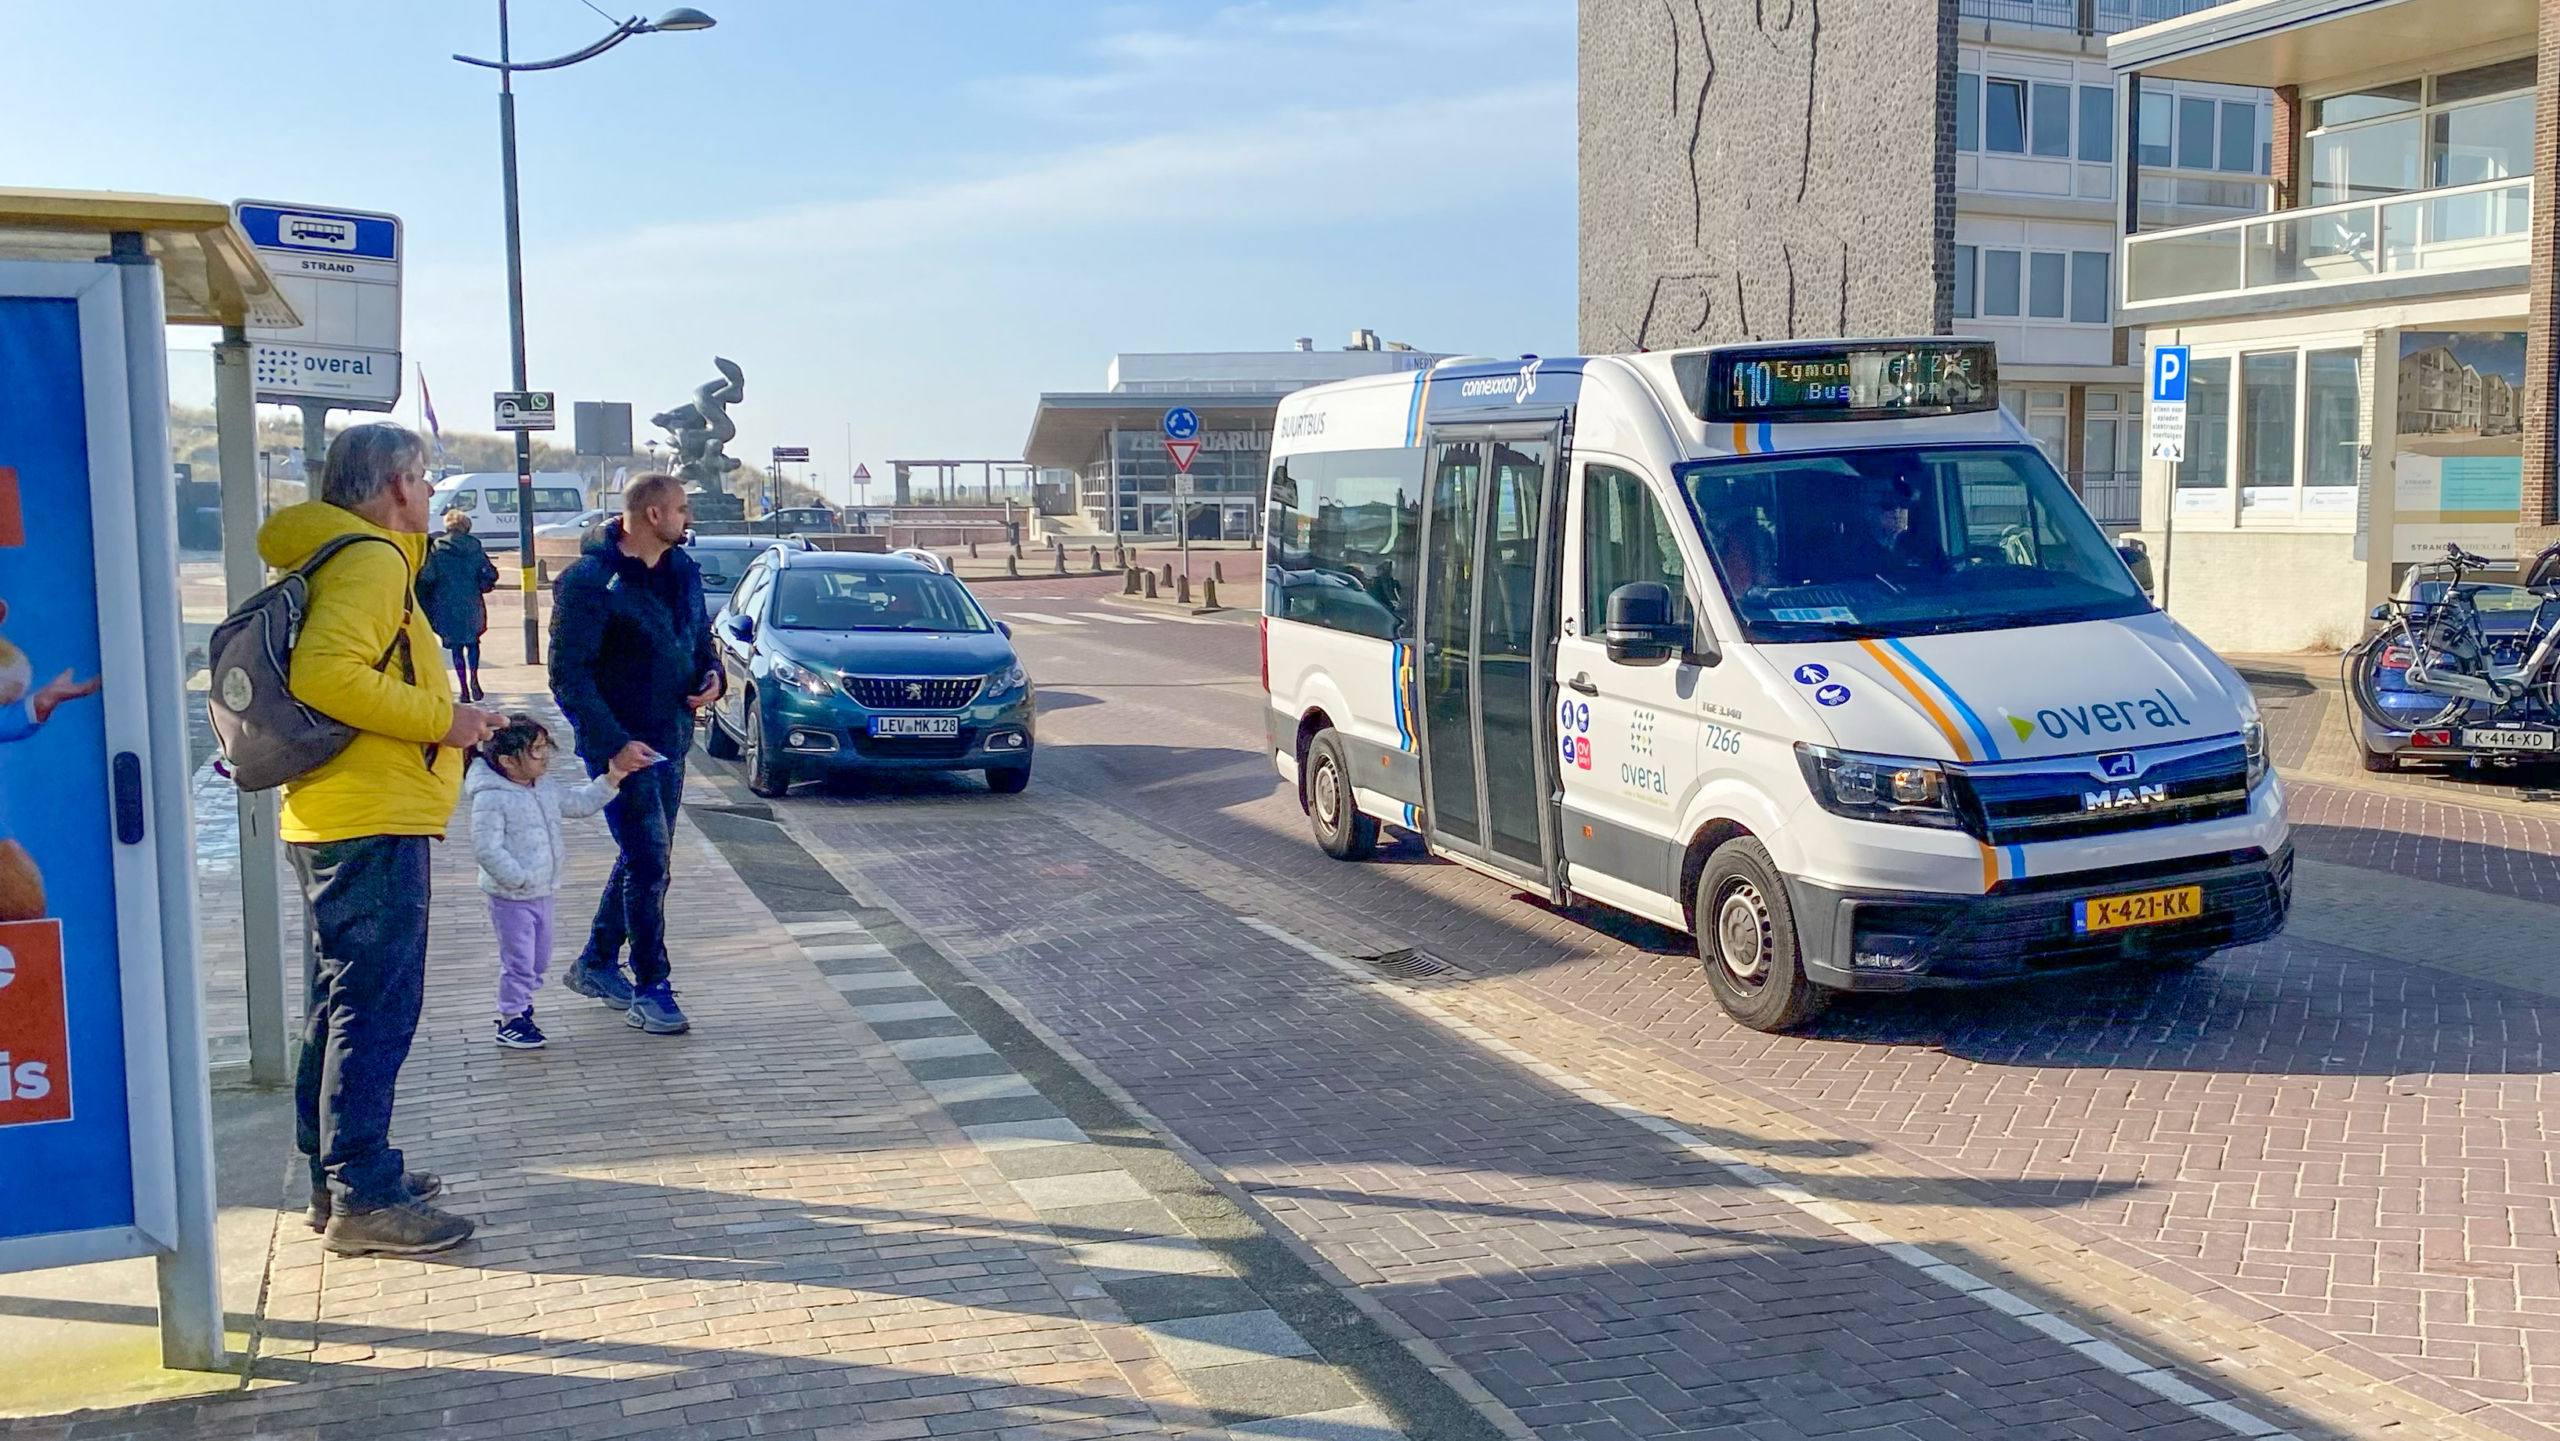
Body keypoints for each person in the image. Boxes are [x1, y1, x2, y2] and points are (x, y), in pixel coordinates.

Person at [258, 423, 502, 1257]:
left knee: (340, 1003)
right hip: (369, 814)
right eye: (425, 479)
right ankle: (363, 1193)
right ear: (398, 484)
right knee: (375, 1007)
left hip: (336, 810)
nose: (430, 493)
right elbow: (326, 673)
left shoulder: (331, 551)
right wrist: (447, 718)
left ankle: (339, 1177)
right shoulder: (368, 559)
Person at [548, 475, 722, 1036]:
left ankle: (596, 963)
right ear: (652, 515)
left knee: (645, 856)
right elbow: (568, 676)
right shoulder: (589, 583)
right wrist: (614, 743)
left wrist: (713, 676)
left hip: (672, 738)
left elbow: (700, 642)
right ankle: (652, 986)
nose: (688, 517)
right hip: (622, 750)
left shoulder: (682, 571)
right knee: (649, 864)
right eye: (681, 509)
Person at [467, 714, 654, 1049]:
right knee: (519, 961)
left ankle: (521, 1004)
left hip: (543, 892)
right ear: (508, 761)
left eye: (544, 747)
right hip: (510, 898)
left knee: (538, 959)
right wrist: (518, 879)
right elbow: (486, 849)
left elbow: (579, 804)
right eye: (536, 750)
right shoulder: (491, 797)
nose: (545, 757)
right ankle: (511, 1017)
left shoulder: (544, 786)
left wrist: (613, 777)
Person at [416, 507, 499, 701]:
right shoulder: (474, 545)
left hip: (447, 602)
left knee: (456, 646)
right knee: (473, 642)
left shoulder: (438, 547)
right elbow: (487, 571)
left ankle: (463, 689)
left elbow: (428, 576)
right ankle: (475, 679)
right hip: (471, 600)